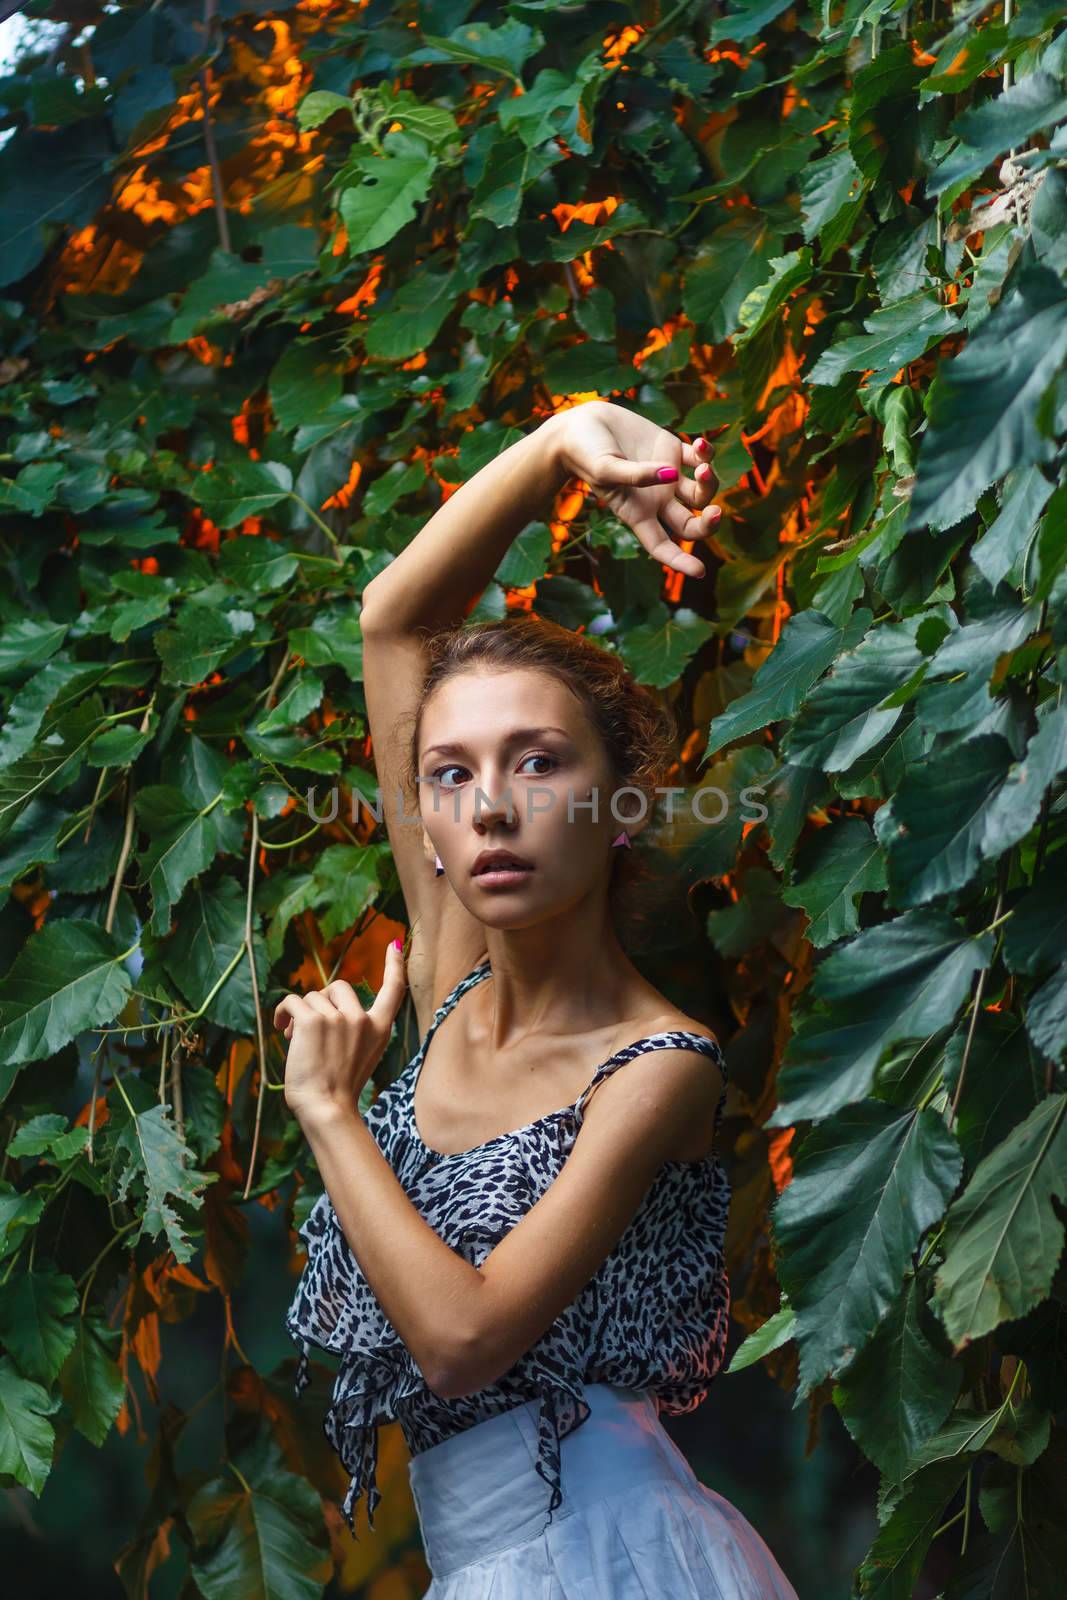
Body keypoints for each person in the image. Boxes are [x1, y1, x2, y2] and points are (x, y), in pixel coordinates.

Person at [278, 401, 798, 1597]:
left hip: (616, 1557)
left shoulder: (660, 1063)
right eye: (449, 776)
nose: (490, 808)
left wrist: (329, 1115)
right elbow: (396, 617)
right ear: (428, 823)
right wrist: (562, 443)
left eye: (539, 761)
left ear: (619, 803)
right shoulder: (451, 961)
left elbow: (462, 1343)